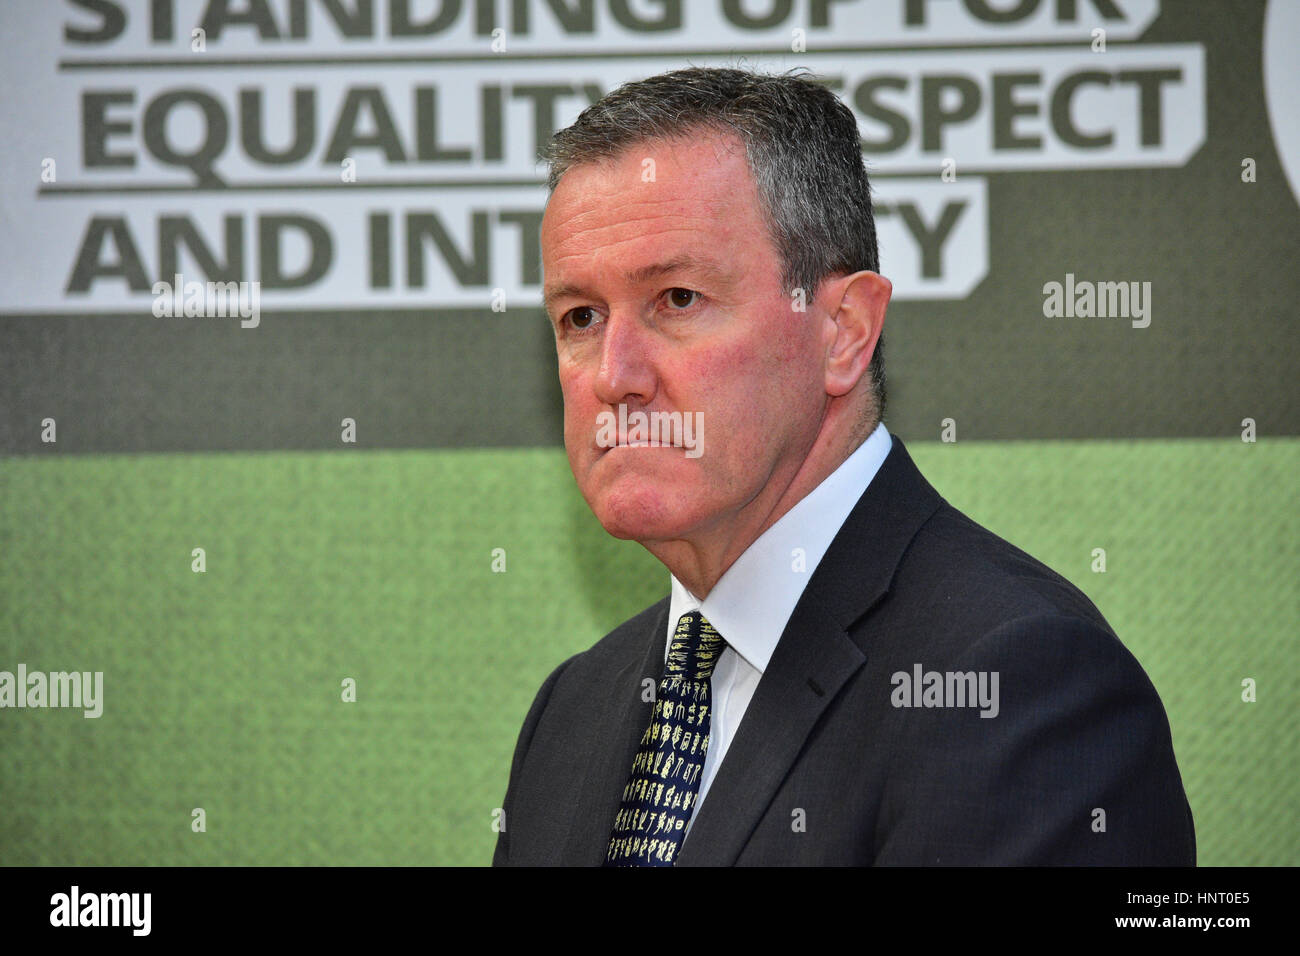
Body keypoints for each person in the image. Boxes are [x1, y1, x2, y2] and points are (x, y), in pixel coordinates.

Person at [492, 67, 1195, 866]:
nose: (614, 375)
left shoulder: (1019, 684)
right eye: (580, 316)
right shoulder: (572, 711)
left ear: (843, 332)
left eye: (677, 299)